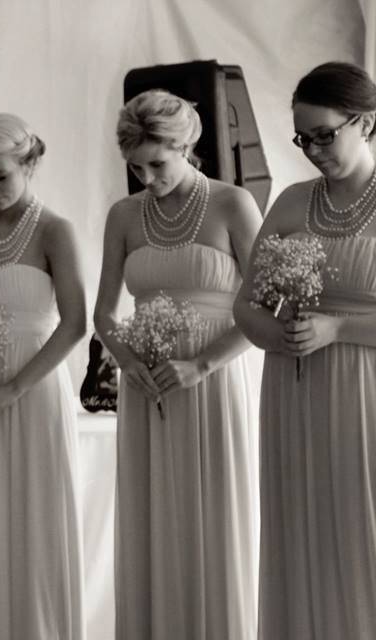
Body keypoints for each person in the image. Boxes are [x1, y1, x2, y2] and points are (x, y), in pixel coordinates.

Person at [94, 90, 261, 640]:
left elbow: (268, 304)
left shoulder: (232, 204)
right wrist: (125, 361)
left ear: (186, 144)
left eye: (157, 164)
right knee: (156, 520)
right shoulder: (123, 215)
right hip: (148, 389)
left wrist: (203, 365)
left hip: (213, 382)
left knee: (215, 520)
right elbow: (103, 312)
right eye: (136, 167)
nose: (147, 177)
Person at [233, 61, 376, 640]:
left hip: (366, 391)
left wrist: (337, 330)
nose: (312, 149)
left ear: (365, 123)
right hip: (297, 395)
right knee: (307, 531)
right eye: (302, 137)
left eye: (324, 134)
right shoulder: (291, 202)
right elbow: (246, 305)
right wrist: (281, 334)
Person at [0, 112, 86, 639]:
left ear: (29, 163)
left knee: (36, 521)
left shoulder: (56, 230)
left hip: (33, 392)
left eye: (0, 176)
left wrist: (13, 387)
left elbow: (74, 323)